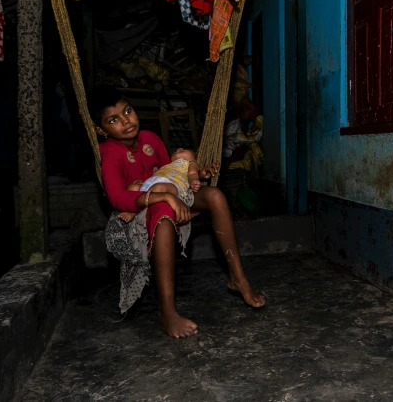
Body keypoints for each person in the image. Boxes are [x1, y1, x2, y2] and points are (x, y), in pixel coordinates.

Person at [90, 85, 265, 339]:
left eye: (127, 111)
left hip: (170, 196)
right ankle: (167, 312)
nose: (126, 121)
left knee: (215, 196)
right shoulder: (109, 153)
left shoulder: (151, 139)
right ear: (100, 129)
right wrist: (165, 197)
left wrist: (196, 175)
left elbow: (170, 172)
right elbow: (117, 197)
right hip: (137, 211)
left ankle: (238, 279)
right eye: (114, 120)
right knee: (163, 209)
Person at [117, 147, 201, 223]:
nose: (179, 149)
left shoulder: (190, 163)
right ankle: (133, 206)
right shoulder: (168, 165)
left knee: (158, 188)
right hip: (154, 181)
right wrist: (143, 184)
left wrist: (193, 181)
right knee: (131, 188)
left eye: (184, 150)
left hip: (173, 184)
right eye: (177, 150)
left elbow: (192, 174)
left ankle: (135, 212)